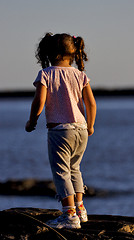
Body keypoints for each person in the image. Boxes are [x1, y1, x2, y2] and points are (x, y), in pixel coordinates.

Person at [25, 32, 96, 229]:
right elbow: (90, 103)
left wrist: (32, 121)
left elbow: (39, 101)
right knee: (75, 169)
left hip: (60, 131)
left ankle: (69, 215)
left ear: (48, 53)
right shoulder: (80, 75)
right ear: (73, 52)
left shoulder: (46, 74)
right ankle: (80, 209)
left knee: (61, 172)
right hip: (81, 130)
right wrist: (90, 125)